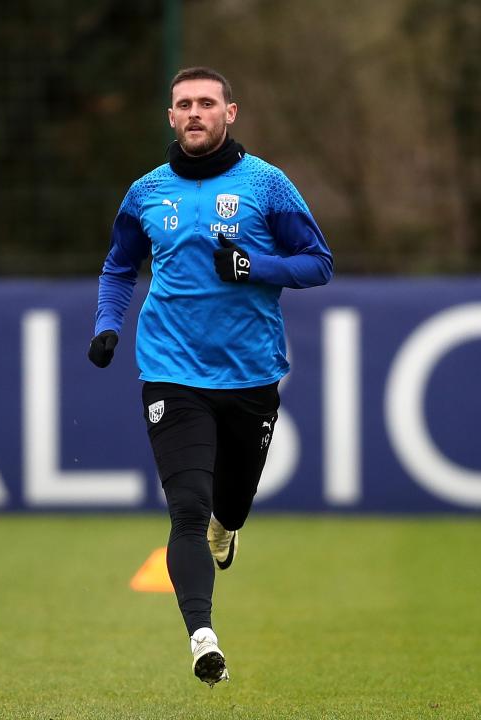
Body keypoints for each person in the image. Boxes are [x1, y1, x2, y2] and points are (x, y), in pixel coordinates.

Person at [88, 66, 333, 687]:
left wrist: (254, 265)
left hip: (250, 375)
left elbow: (318, 264)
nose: (194, 112)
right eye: (182, 105)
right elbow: (118, 267)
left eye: (206, 103)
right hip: (171, 370)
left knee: (231, 506)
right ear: (170, 118)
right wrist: (107, 325)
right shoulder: (145, 192)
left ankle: (230, 527)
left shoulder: (267, 185)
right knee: (187, 511)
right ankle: (203, 638)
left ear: (231, 113)